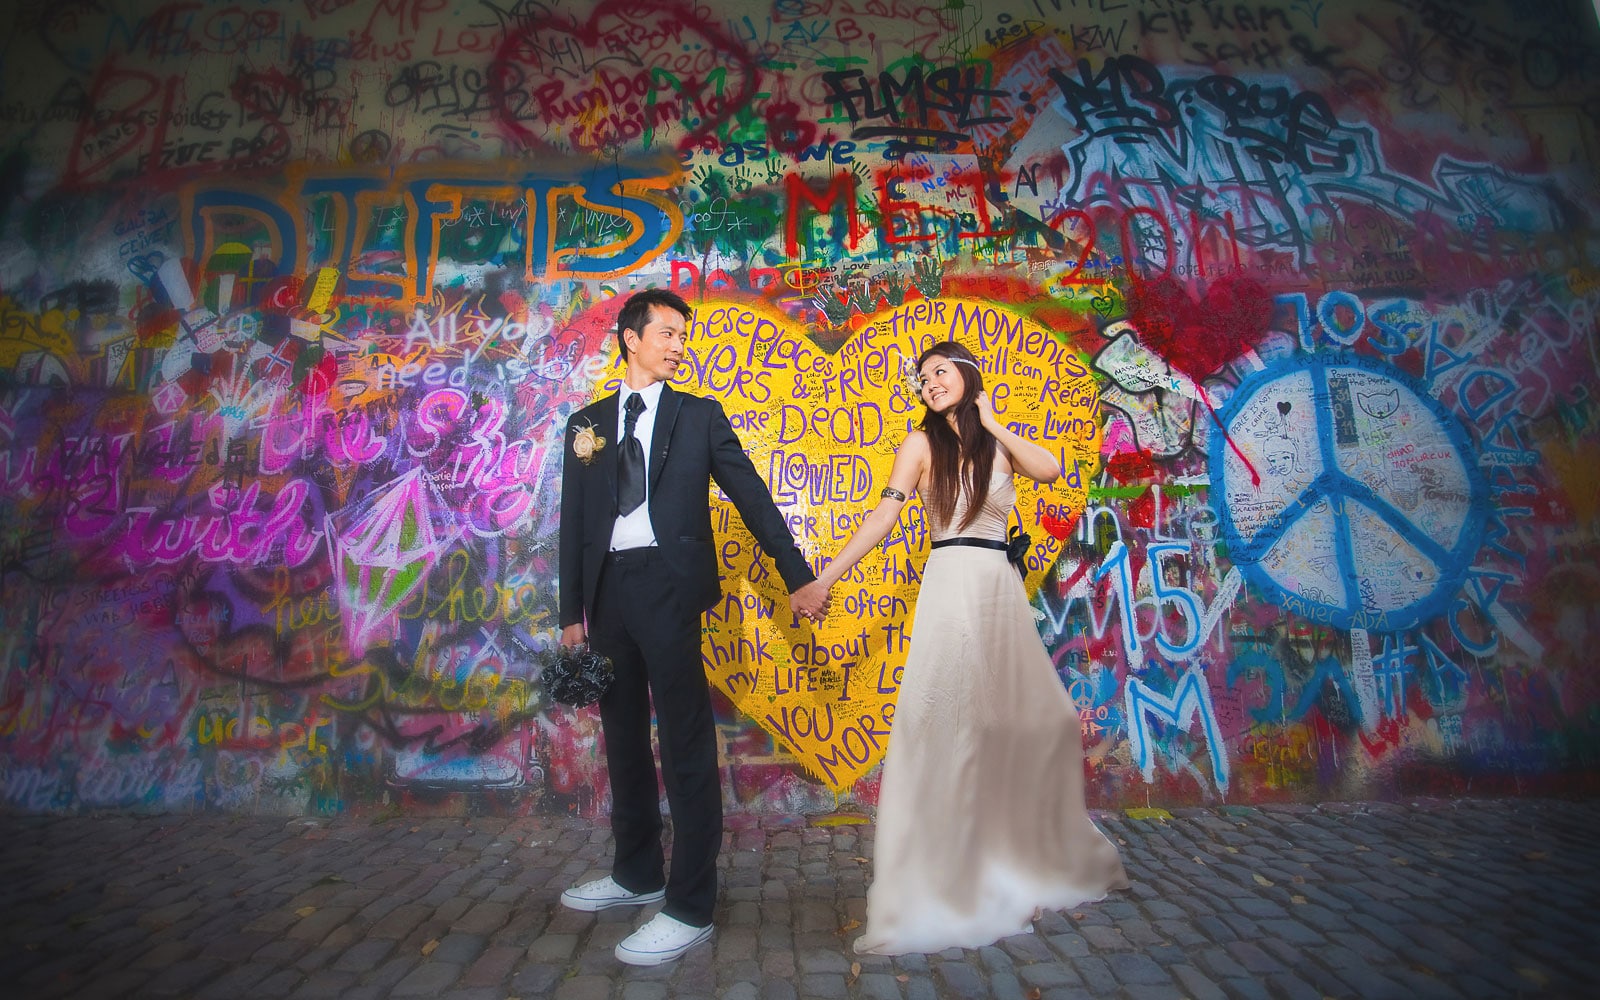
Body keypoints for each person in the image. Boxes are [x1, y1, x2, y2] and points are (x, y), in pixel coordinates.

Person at [812, 341, 1128, 955]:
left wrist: (994, 423)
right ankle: (953, 869)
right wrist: (827, 577)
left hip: (998, 590)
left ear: (967, 376)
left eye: (940, 372)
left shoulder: (995, 441)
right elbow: (883, 517)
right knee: (956, 723)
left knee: (1036, 721)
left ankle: (1017, 852)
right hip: (952, 581)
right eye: (923, 377)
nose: (930, 382)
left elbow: (1050, 470)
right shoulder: (920, 445)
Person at [556, 288, 830, 967]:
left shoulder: (698, 416)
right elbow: (573, 525)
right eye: (669, 333)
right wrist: (571, 615)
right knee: (620, 737)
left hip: (670, 588)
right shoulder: (586, 425)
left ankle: (689, 905)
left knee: (684, 742)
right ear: (631, 338)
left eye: (684, 335)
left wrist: (797, 575)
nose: (680, 345)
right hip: (607, 592)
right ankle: (636, 873)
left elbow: (753, 496)